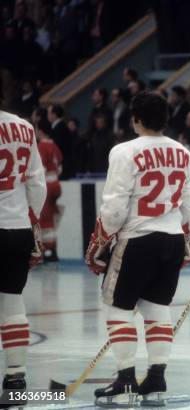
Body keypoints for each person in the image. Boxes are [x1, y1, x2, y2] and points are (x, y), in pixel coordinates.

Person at [85, 92, 190, 407]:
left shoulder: (124, 151)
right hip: (172, 238)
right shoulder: (182, 151)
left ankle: (124, 380)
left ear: (134, 119)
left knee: (117, 308)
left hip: (137, 238)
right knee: (157, 308)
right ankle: (156, 377)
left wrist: (101, 240)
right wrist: (180, 229)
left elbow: (114, 206)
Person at [0, 105, 46, 407]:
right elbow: (36, 184)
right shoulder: (23, 127)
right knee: (13, 303)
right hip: (17, 228)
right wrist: (33, 222)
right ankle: (16, 379)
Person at [36, 118, 63, 263]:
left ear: (40, 131)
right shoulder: (55, 147)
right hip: (56, 184)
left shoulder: (41, 147)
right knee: (50, 220)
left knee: (44, 220)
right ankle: (52, 250)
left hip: (46, 184)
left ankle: (46, 252)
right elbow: (59, 168)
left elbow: (41, 169)